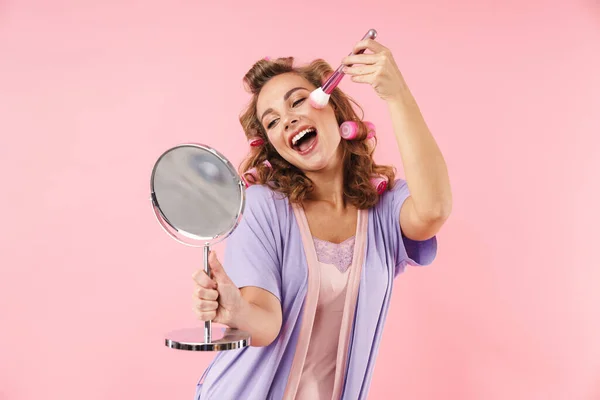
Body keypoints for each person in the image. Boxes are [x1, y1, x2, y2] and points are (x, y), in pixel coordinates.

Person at [191, 38, 452, 400]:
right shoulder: (263, 207)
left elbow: (433, 210)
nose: (289, 120)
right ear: (274, 145)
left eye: (298, 100)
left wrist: (397, 94)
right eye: (272, 122)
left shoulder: (385, 209)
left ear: (334, 107)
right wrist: (236, 309)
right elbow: (266, 325)